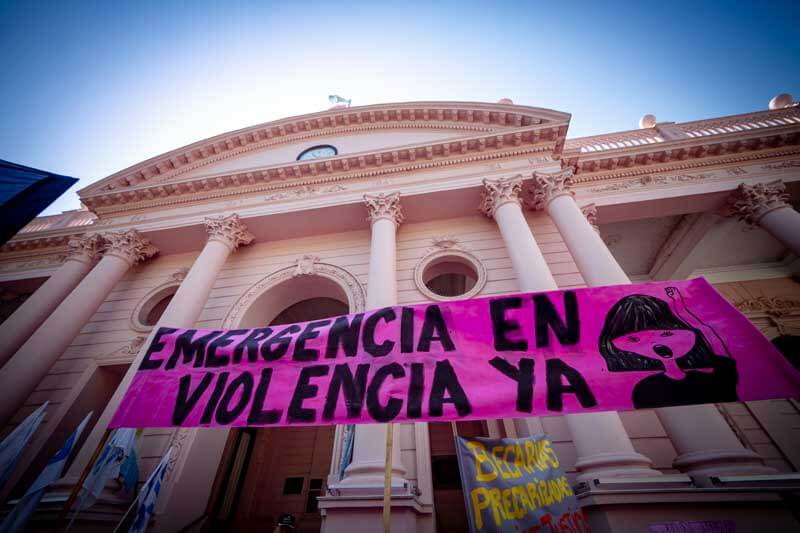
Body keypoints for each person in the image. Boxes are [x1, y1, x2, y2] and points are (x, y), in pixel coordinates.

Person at [599, 294, 738, 408]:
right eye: (635, 340)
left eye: (666, 334)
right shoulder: (646, 388)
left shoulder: (722, 368)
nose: (654, 344)